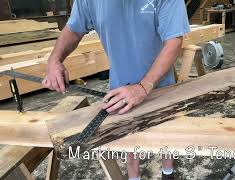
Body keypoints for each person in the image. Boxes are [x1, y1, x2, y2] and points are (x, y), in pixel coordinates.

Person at [42, 0, 190, 179]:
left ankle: (168, 171)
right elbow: (74, 29)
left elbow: (173, 42)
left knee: (166, 134)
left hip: (161, 85)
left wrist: (143, 87)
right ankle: (134, 177)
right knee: (129, 140)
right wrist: (54, 59)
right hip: (120, 84)